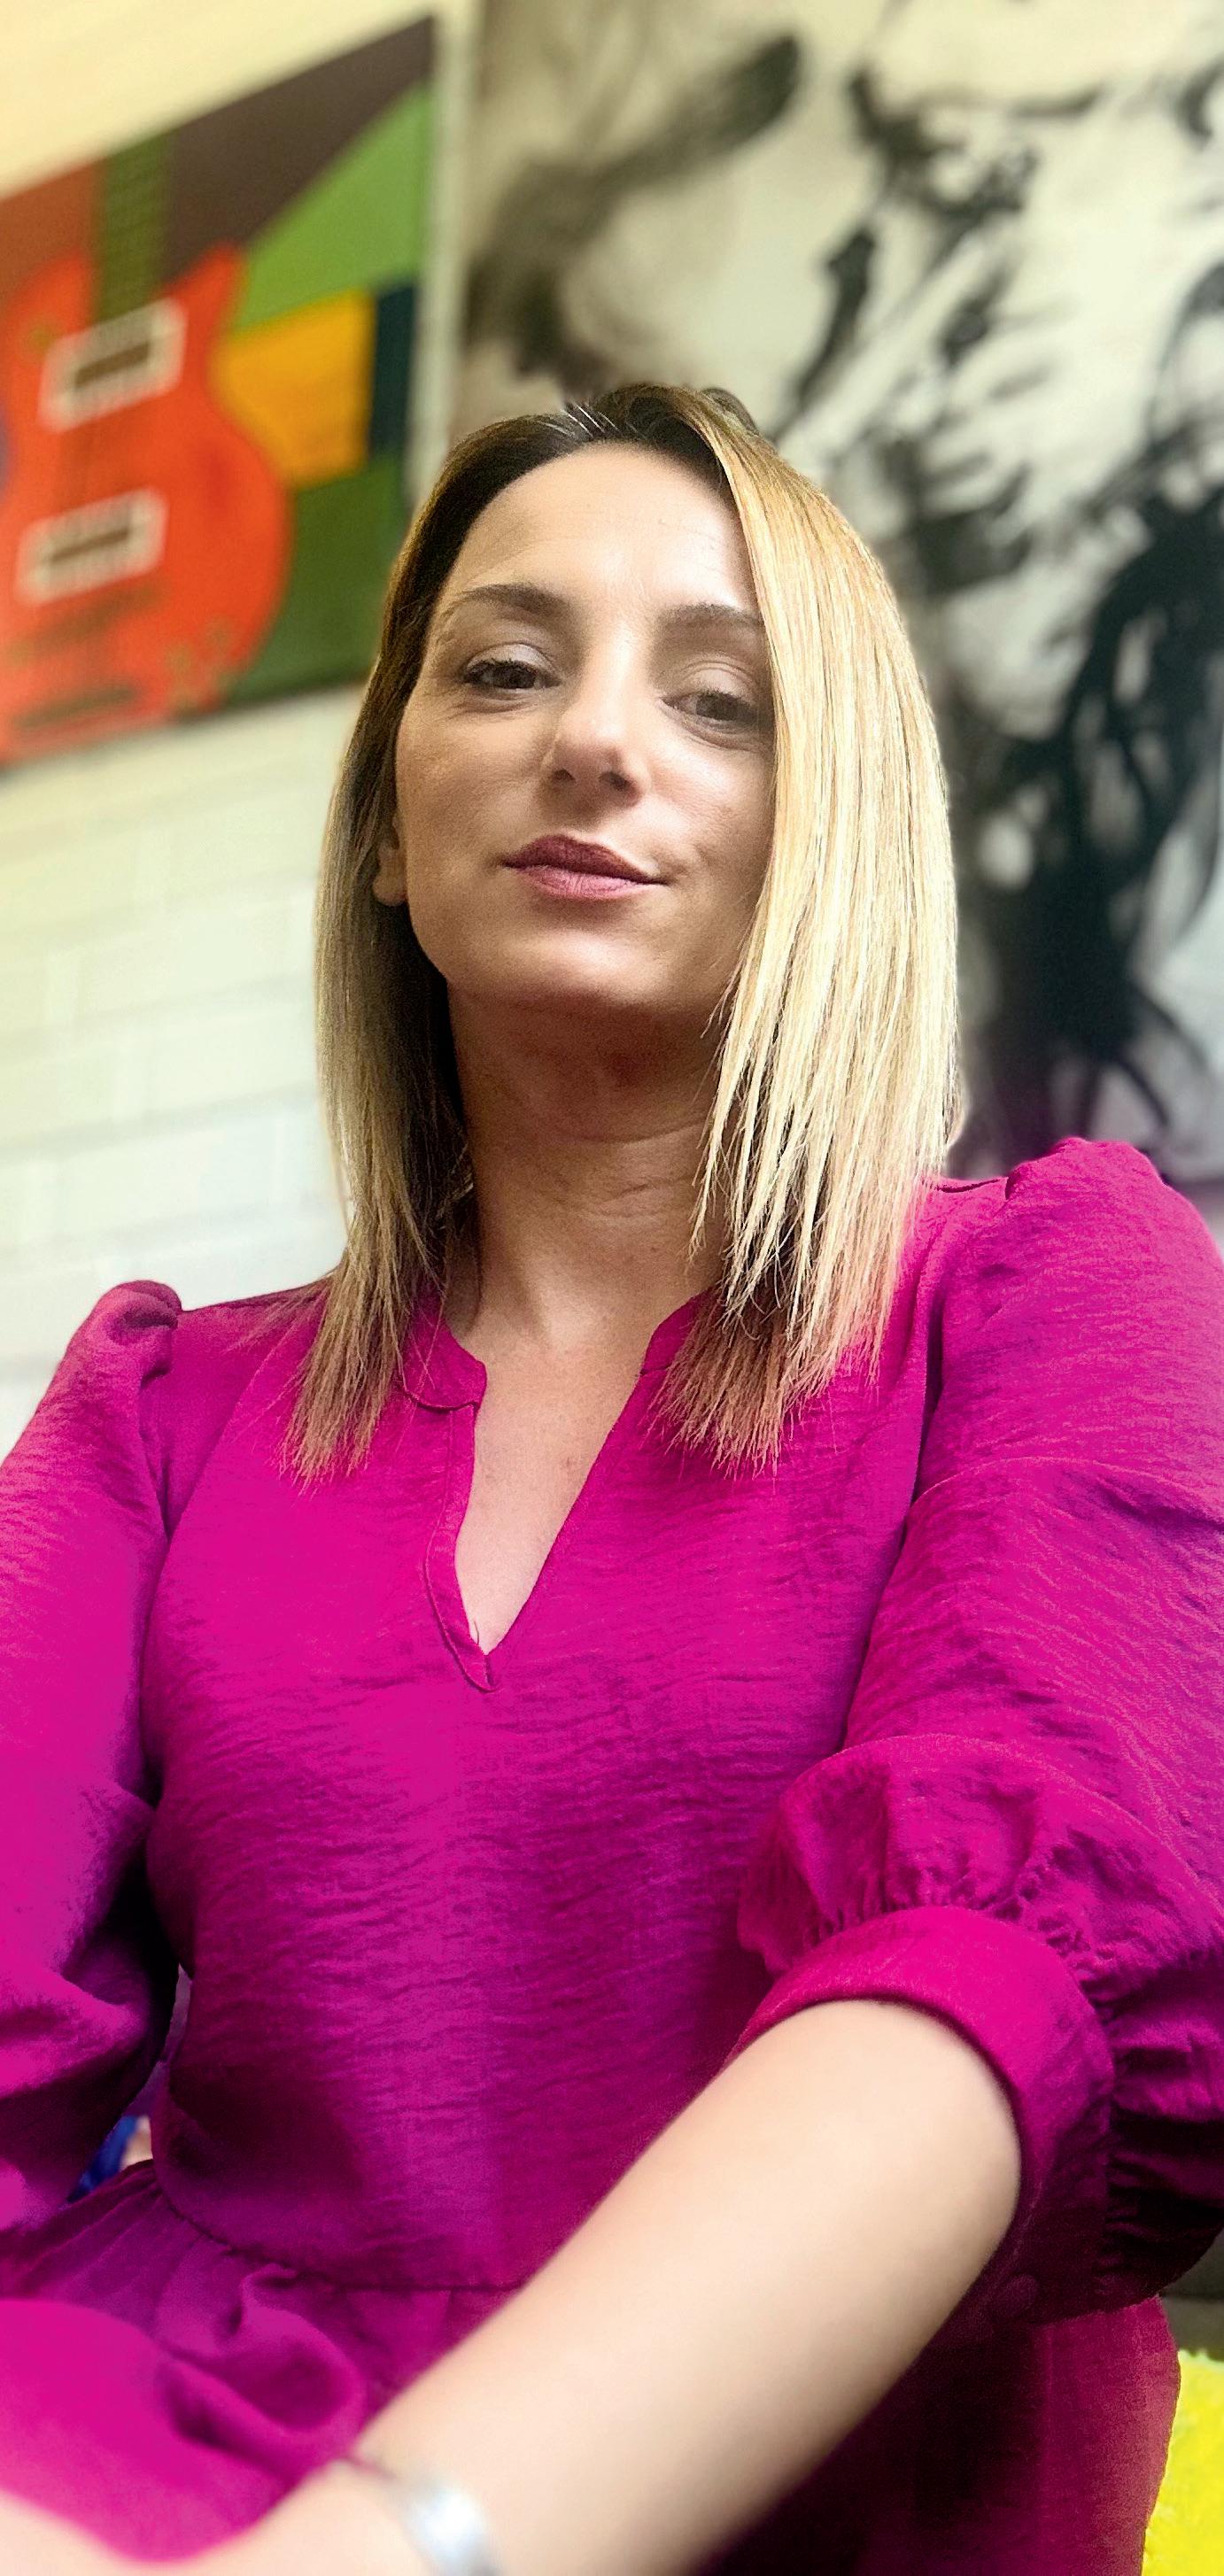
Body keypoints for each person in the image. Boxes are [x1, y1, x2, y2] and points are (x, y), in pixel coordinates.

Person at [0, 382, 1222, 2576]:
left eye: (720, 701)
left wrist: (404, 2544)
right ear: (389, 824)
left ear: (834, 829)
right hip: (162, 2450)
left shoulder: (1060, 1295)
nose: (591, 741)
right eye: (500, 668)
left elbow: (1006, 1976)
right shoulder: (160, 1408)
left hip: (819, 2501)